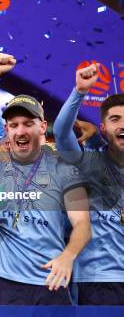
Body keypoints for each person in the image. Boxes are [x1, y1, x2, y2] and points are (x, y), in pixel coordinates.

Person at [0, 94, 92, 305]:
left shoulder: (63, 168)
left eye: (28, 123)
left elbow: (83, 224)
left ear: (42, 127)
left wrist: (68, 255)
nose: (20, 131)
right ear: (7, 130)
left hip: (50, 280)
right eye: (14, 125)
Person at [52, 63, 123, 305]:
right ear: (103, 128)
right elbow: (62, 132)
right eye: (115, 119)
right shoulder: (88, 161)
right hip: (97, 281)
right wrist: (79, 91)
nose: (123, 125)